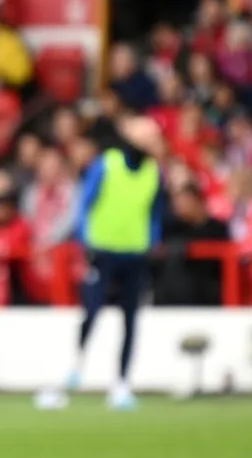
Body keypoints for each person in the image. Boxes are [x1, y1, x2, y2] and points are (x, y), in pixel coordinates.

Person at [36, 115, 164, 412]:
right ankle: (75, 369)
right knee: (91, 312)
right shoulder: (107, 164)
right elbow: (85, 203)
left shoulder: (153, 172)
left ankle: (121, 382)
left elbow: (155, 213)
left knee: (130, 319)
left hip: (134, 254)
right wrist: (86, 241)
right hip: (103, 252)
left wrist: (152, 240)